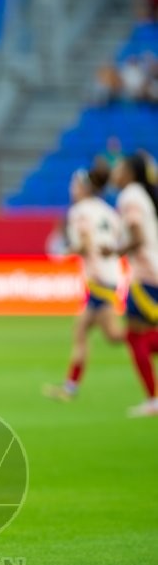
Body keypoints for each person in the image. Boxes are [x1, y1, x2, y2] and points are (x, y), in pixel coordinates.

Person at [43, 166, 124, 401]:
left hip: (99, 280)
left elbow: (85, 243)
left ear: (83, 188)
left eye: (74, 185)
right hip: (110, 275)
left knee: (116, 335)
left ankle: (147, 338)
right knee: (81, 329)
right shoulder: (109, 211)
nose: (71, 189)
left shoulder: (79, 212)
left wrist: (62, 251)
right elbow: (116, 239)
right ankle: (70, 387)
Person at [112, 153, 158, 417]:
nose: (115, 174)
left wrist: (116, 251)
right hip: (150, 271)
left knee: (135, 335)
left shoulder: (130, 195)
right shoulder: (142, 194)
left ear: (129, 173)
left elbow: (138, 236)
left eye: (119, 168)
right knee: (137, 336)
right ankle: (152, 400)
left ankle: (153, 400)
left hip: (146, 275)